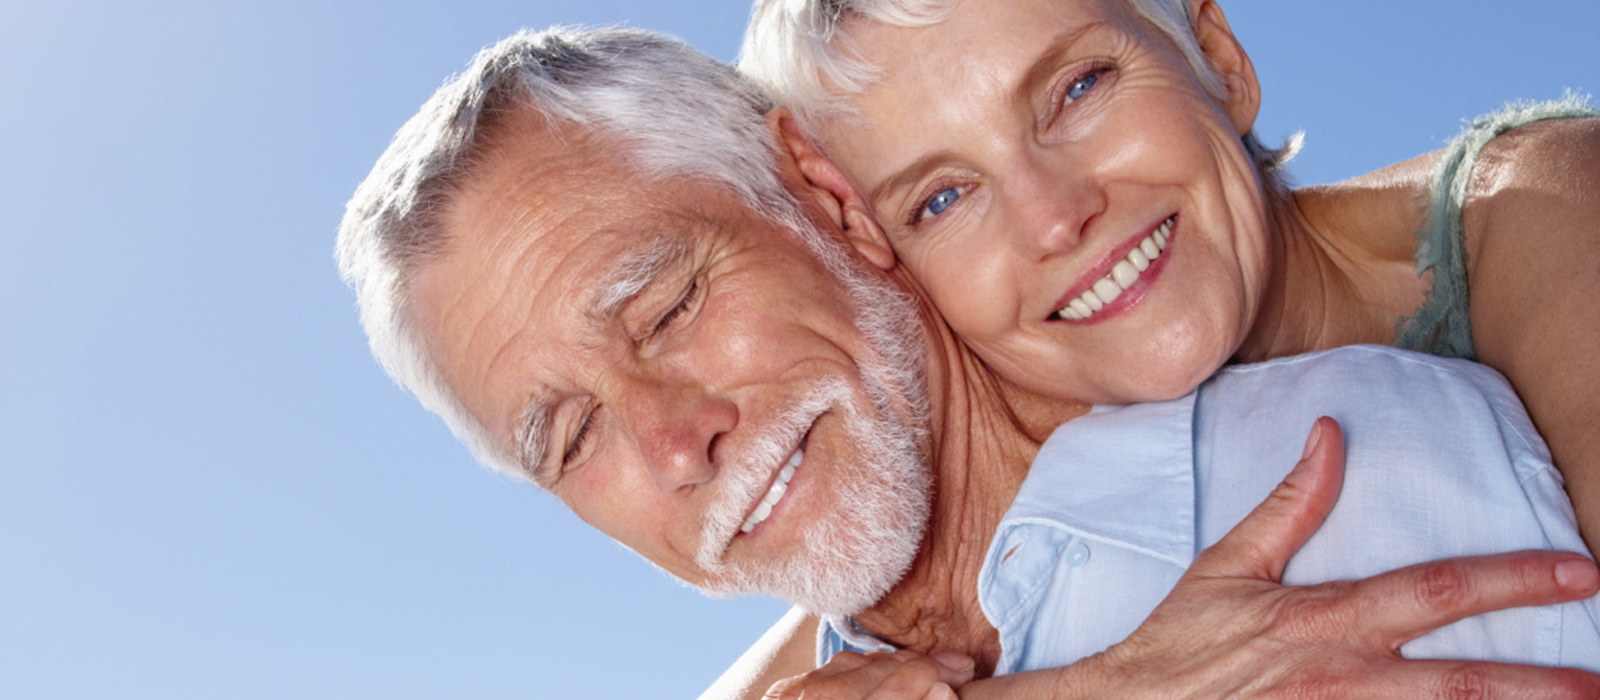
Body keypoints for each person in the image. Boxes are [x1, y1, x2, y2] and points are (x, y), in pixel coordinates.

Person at [333, 27, 1600, 700]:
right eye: (570, 437)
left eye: (664, 310)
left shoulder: (1347, 480)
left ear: (825, 204)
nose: (675, 440)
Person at [739, 0, 1600, 553]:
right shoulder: (1031, 476)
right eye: (943, 198)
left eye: (1077, 88)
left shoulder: (1530, 211)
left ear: (1219, 59)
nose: (1053, 217)